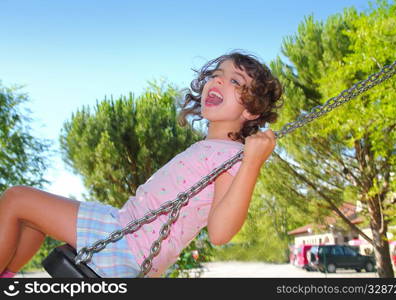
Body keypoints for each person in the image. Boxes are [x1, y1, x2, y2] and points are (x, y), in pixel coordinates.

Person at [0, 50, 283, 278]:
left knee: (17, 199)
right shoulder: (214, 148)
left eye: (235, 81)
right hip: (125, 233)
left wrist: (252, 164)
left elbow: (221, 233)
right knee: (30, 218)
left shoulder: (232, 156)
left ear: (251, 109)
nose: (219, 81)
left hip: (125, 241)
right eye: (217, 74)